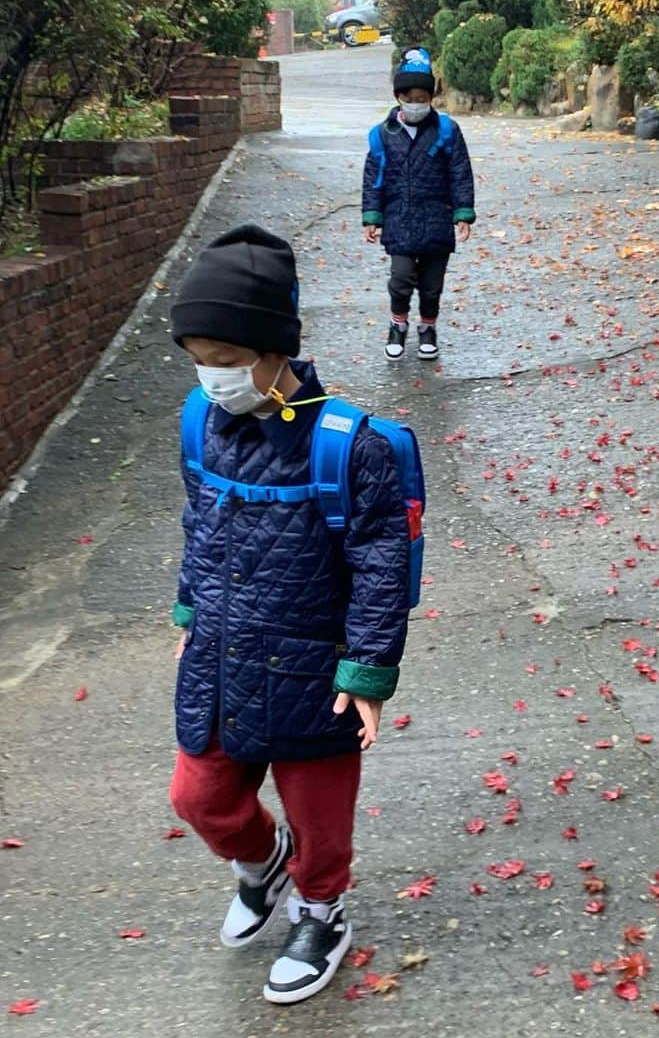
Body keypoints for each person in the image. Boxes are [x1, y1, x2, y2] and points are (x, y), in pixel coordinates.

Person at [167, 224, 410, 1004]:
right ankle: (260, 863)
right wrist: (188, 614)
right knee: (198, 796)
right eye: (199, 361)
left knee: (320, 820)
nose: (213, 379)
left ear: (276, 350)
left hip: (312, 669)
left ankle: (320, 910)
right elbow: (199, 524)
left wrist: (368, 671)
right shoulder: (200, 422)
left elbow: (380, 563)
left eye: (228, 363)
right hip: (221, 655)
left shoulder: (351, 447)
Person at [362, 46, 476, 361]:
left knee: (431, 284)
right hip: (399, 219)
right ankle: (397, 324)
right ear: (399, 97)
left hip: (436, 219)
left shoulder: (446, 131)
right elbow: (374, 176)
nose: (415, 105)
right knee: (400, 279)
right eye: (409, 99)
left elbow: (460, 172)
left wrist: (462, 211)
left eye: (422, 99)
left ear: (431, 98)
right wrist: (372, 216)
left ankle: (428, 327)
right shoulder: (383, 134)